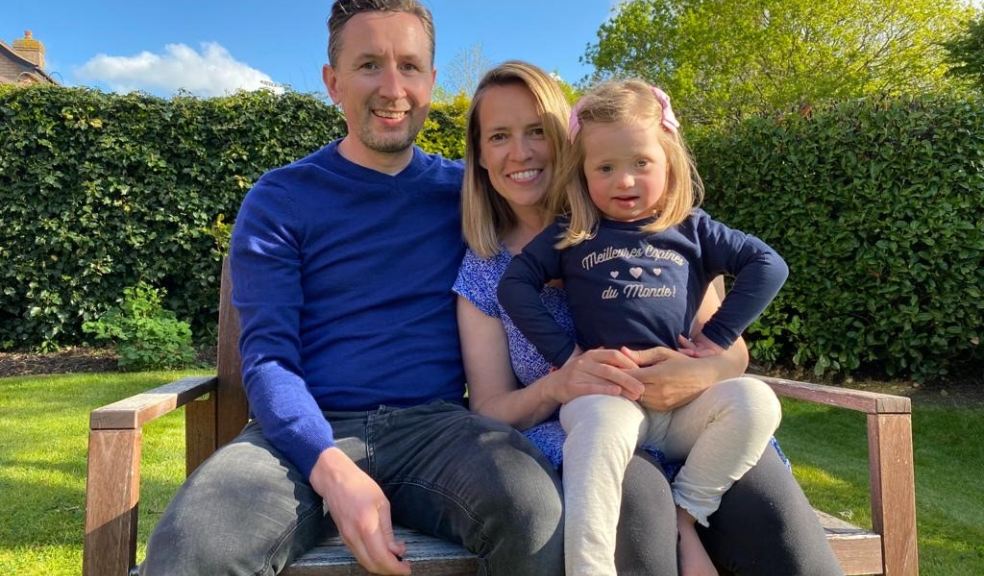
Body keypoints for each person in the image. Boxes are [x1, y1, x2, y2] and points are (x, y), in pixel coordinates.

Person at [141, 2, 565, 575]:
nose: (393, 87)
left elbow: (575, 204)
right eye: (369, 65)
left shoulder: (471, 192)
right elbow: (268, 358)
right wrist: (330, 468)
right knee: (193, 545)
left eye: (410, 67)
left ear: (432, 82)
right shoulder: (281, 200)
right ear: (332, 82)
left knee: (535, 511)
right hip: (296, 437)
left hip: (438, 429)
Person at [455, 63, 844, 575]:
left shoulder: (664, 226)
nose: (521, 152)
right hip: (594, 435)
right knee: (634, 495)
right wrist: (561, 382)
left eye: (536, 132)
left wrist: (696, 372)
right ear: (481, 155)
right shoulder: (485, 271)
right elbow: (490, 409)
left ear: (565, 143)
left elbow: (732, 352)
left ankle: (692, 515)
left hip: (695, 430)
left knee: (765, 501)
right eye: (499, 136)